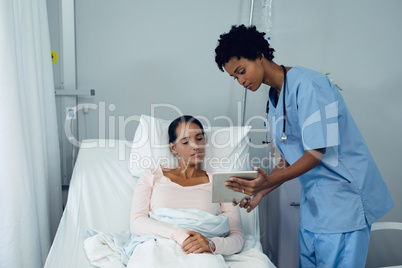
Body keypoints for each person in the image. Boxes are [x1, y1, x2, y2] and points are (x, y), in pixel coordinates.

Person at [214, 24, 394, 267]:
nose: (240, 80)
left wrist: (267, 180)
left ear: (259, 54)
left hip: (343, 200)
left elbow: (315, 154)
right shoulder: (274, 98)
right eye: (234, 77)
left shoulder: (310, 85)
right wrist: (261, 192)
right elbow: (288, 157)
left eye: (241, 71)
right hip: (315, 205)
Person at [128, 115, 245, 267]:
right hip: (157, 246)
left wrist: (211, 244)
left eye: (199, 138)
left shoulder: (221, 183)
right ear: (173, 147)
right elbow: (137, 222)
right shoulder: (152, 175)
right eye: (185, 142)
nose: (196, 146)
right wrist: (179, 234)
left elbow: (237, 237)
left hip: (200, 252)